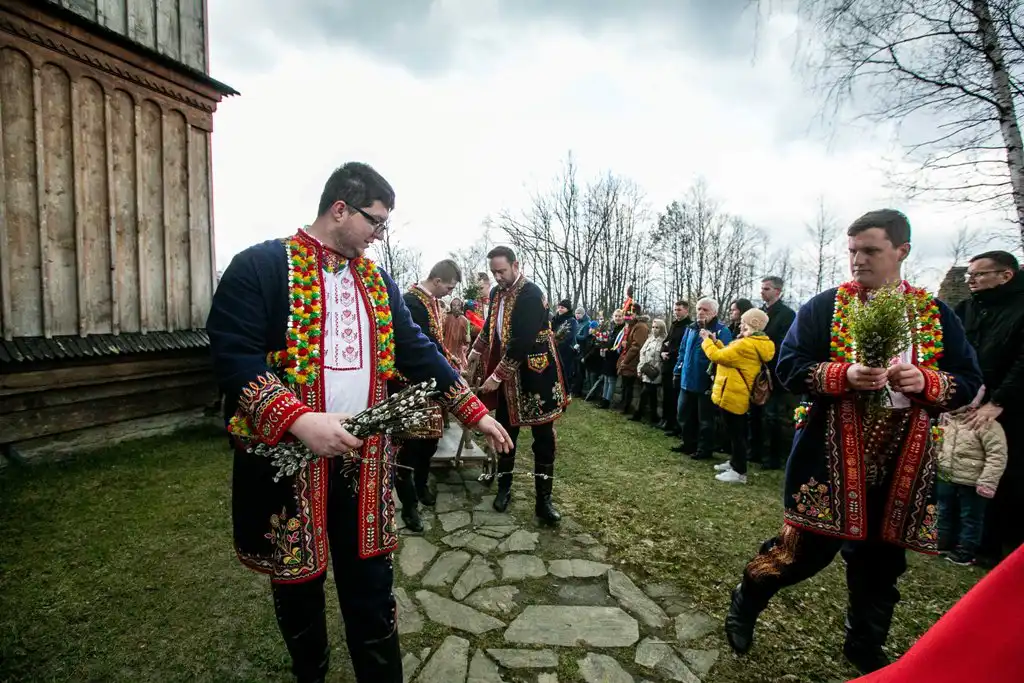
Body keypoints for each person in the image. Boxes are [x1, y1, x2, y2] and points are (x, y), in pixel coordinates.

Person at [206, 162, 510, 683]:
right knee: (299, 585)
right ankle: (312, 672)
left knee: (371, 584)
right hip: (290, 462)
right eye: (376, 222)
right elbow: (233, 354)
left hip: (365, 464)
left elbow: (417, 350)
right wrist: (298, 419)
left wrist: (473, 411)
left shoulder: (376, 281)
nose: (379, 235)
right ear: (340, 209)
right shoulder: (259, 266)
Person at [724, 209, 983, 675]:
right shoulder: (825, 307)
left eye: (870, 251)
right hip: (829, 458)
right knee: (799, 555)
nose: (858, 260)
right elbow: (788, 367)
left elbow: (967, 379)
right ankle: (746, 599)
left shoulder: (935, 313)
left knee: (881, 567)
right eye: (852, 251)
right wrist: (842, 375)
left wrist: (926, 383)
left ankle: (863, 646)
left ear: (901, 251)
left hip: (904, 459)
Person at [468, 246, 569, 524]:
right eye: (494, 272)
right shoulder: (497, 293)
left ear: (515, 265)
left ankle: (543, 501)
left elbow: (521, 340)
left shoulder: (531, 294)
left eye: (501, 271)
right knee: (504, 432)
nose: (498, 277)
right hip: (509, 379)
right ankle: (504, 488)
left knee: (543, 438)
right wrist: (476, 351)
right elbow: (491, 325)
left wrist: (496, 376)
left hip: (537, 374)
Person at [955, 250, 1024, 565]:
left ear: (1005, 275)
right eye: (969, 275)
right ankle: (960, 540)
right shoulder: (965, 309)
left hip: (1009, 408)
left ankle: (995, 549)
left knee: (1004, 475)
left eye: (979, 274)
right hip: (967, 403)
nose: (971, 280)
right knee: (961, 468)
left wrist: (998, 402)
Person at [391, 260, 465, 533]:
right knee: (408, 448)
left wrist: (449, 357)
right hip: (409, 387)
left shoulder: (432, 301)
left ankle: (421, 485)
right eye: (449, 286)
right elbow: (417, 347)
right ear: (436, 280)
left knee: (430, 441)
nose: (450, 292)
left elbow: (435, 342)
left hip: (430, 385)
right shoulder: (411, 302)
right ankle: (409, 505)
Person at [702, 308, 775, 484]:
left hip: (733, 393)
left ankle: (739, 471)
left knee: (736, 434)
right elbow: (729, 356)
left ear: (752, 325)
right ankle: (734, 462)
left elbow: (717, 356)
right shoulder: (754, 343)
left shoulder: (745, 344)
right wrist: (716, 341)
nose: (740, 326)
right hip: (736, 392)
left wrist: (706, 341)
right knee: (735, 432)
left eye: (744, 323)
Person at [936, 388, 1008, 566]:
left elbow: (997, 455)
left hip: (972, 481)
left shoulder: (988, 424)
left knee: (970, 518)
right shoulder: (948, 421)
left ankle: (965, 551)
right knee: (943, 511)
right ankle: (942, 543)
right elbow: (939, 445)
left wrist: (987, 482)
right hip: (947, 477)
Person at [671, 298, 732, 460]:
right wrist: (677, 371)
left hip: (706, 381)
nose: (701, 312)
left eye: (705, 310)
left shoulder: (721, 331)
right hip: (687, 379)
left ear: (714, 312)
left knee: (705, 419)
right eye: (699, 309)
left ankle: (704, 449)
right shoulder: (690, 329)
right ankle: (688, 443)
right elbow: (683, 351)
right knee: (683, 414)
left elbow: (724, 355)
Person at [749, 276, 797, 470]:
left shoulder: (787, 315)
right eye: (761, 288)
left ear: (777, 291)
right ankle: (754, 452)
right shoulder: (759, 313)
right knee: (754, 414)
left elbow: (785, 344)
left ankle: (772, 458)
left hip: (773, 372)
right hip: (754, 369)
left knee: (772, 416)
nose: (762, 292)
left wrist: (763, 347)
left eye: (767, 289)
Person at [661, 301, 691, 434]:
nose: (676, 312)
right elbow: (666, 340)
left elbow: (683, 346)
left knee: (675, 396)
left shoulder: (688, 326)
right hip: (667, 363)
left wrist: (671, 353)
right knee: (667, 394)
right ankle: (666, 420)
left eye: (679, 310)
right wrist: (662, 351)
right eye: (675, 310)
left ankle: (676, 425)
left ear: (686, 311)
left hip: (676, 363)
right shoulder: (674, 325)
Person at [616, 303, 650, 414]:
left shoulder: (640, 326)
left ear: (635, 313)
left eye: (629, 313)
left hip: (632, 360)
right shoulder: (632, 325)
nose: (627, 316)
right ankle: (622, 404)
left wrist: (625, 361)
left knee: (629, 385)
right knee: (625, 385)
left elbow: (637, 346)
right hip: (628, 358)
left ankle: (626, 407)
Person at [633, 318, 667, 423]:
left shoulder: (664, 341)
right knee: (649, 394)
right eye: (653, 327)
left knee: (648, 393)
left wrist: (656, 369)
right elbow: (642, 353)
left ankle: (641, 414)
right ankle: (649, 416)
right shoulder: (649, 339)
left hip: (657, 372)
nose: (654, 329)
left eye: (657, 327)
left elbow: (663, 357)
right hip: (647, 370)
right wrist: (640, 368)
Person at [551, 299, 580, 390]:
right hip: (554, 350)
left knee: (565, 373)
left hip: (566, 351)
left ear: (568, 309)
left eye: (562, 308)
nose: (559, 309)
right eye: (558, 307)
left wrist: (557, 343)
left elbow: (570, 337)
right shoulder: (555, 319)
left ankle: (566, 391)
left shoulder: (572, 321)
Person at [442, 297, 471, 371]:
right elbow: (441, 332)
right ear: (451, 306)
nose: (456, 307)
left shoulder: (465, 320)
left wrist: (467, 344)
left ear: (461, 306)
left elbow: (467, 339)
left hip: (458, 349)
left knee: (460, 368)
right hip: (447, 347)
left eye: (458, 305)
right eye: (454, 305)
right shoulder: (446, 317)